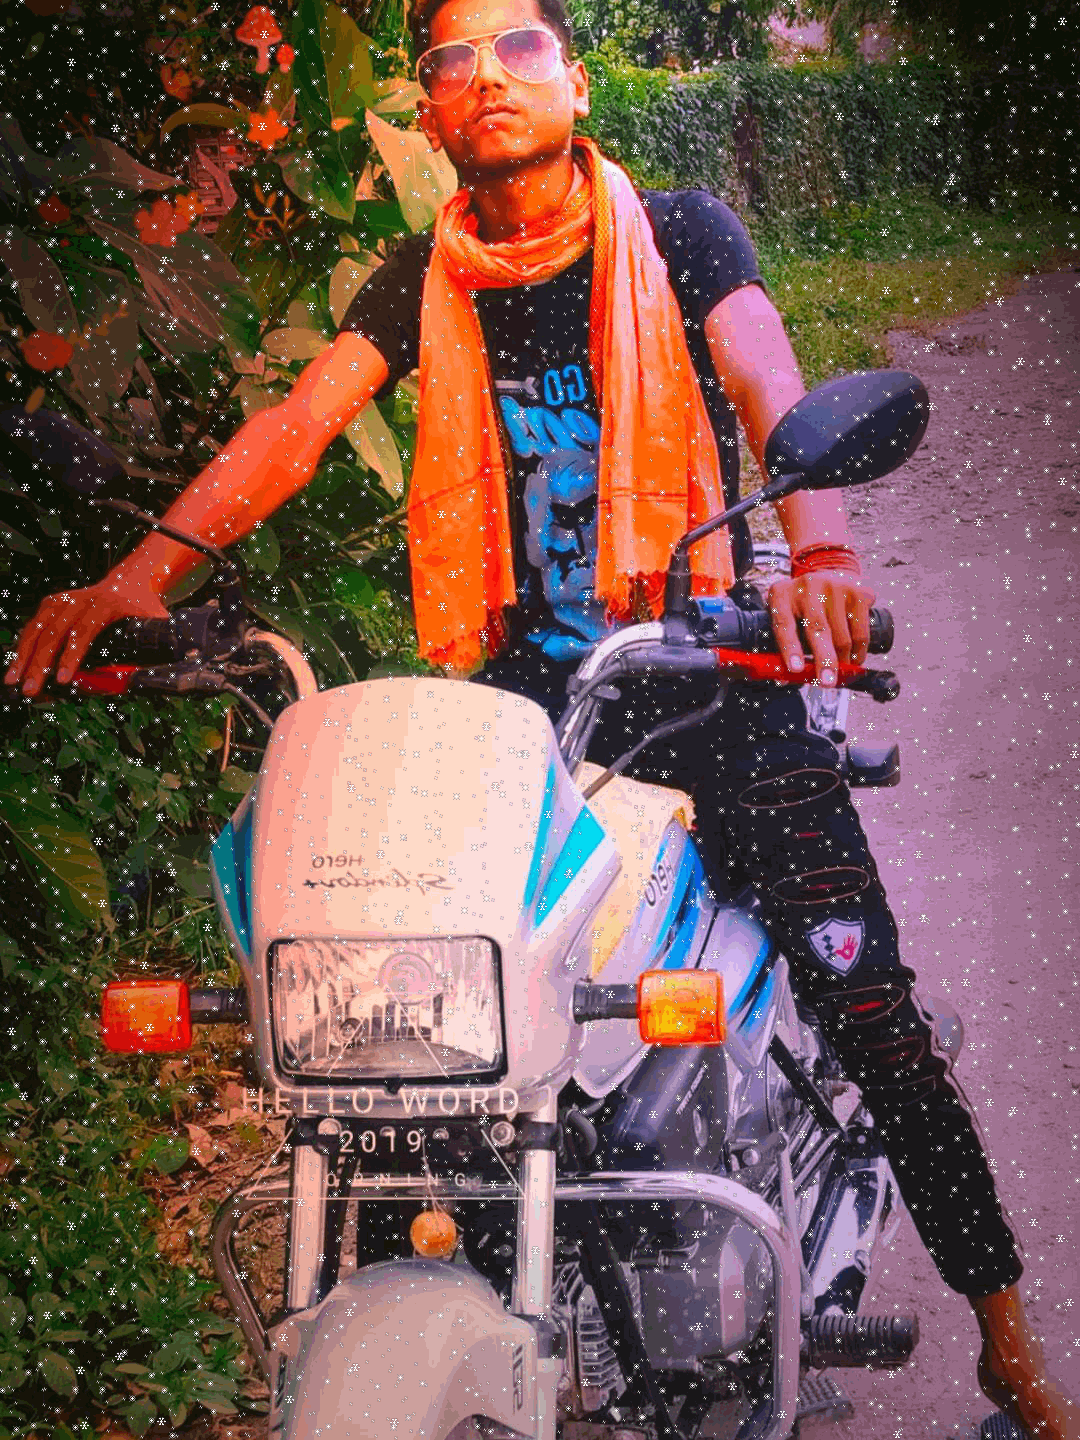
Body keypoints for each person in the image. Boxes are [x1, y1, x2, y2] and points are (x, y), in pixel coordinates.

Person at [5, 1, 1076, 1434]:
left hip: (701, 682)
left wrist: (818, 555)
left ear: (573, 83)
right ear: (431, 109)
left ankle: (1009, 1345)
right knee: (436, 1049)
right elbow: (299, 426)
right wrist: (142, 579)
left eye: (518, 49)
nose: (486, 77)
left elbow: (763, 375)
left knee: (869, 1004)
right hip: (520, 719)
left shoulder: (678, 233)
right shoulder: (423, 277)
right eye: (452, 60)